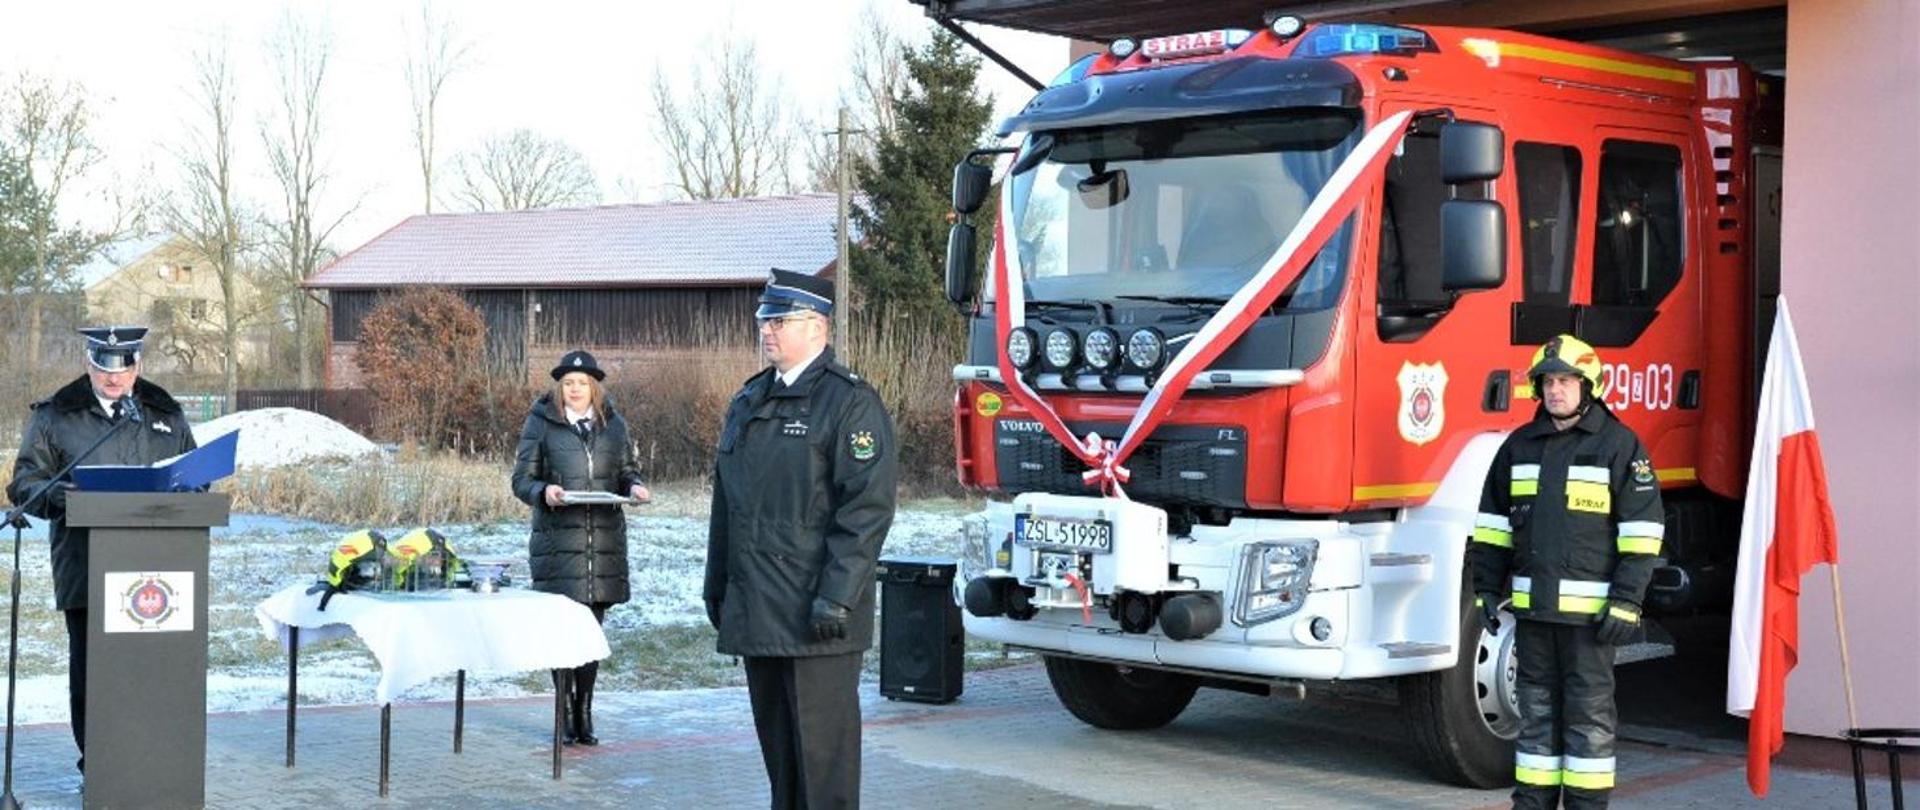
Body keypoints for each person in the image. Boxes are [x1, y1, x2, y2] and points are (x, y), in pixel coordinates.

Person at [705, 268, 898, 810]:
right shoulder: (751, 398)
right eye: (764, 319)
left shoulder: (849, 403)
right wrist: (717, 583)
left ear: (817, 327)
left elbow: (865, 511)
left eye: (781, 320)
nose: (767, 330)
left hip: (818, 614)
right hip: (761, 606)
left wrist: (837, 595)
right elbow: (730, 504)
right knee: (784, 762)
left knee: (824, 766)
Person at [1469, 334, 1665, 809]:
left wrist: (1627, 600)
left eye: (1566, 381)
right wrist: (1485, 589)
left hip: (1591, 626)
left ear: (1588, 385)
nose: (1556, 390)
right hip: (1534, 617)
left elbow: (1642, 533)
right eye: (1548, 381)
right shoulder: (1518, 447)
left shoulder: (1619, 446)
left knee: (1589, 722)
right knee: (1534, 716)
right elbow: (1492, 527)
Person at [7, 325, 198, 773]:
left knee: (153, 671)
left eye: (124, 368)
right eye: (104, 367)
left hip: (161, 569)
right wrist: (72, 498)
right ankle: (99, 766)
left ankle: (154, 763)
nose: (114, 378)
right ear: (88, 364)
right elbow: (25, 483)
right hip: (87, 564)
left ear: (138, 367)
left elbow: (192, 474)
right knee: (94, 672)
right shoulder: (57, 415)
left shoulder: (164, 411)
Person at [510, 348, 649, 746]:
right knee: (560, 635)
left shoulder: (614, 425)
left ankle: (584, 712)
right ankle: (563, 711)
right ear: (560, 387)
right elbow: (521, 479)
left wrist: (635, 487)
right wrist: (544, 491)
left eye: (582, 384)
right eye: (568, 383)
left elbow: (625, 472)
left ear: (594, 388)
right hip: (558, 545)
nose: (575, 389)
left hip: (601, 545)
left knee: (590, 634)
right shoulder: (541, 424)